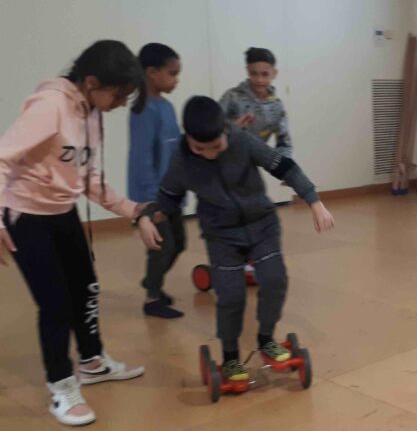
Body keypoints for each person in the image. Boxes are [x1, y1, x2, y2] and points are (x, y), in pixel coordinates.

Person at [0, 40, 148, 426]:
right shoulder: (50, 106)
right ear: (92, 81)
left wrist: (131, 209)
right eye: (118, 94)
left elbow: (88, 177)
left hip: (62, 213)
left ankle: (92, 361)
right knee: (54, 305)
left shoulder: (92, 112)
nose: (121, 103)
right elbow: (2, 157)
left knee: (86, 288)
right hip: (26, 216)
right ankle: (61, 386)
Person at [137, 96, 334, 383]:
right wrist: (147, 218)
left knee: (275, 280)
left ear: (225, 131)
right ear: (187, 138)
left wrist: (314, 201)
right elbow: (167, 198)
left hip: (262, 225)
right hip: (221, 235)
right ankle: (230, 357)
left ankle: (266, 338)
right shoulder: (181, 158)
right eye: (199, 148)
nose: (208, 154)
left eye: (216, 146)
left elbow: (284, 167)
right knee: (230, 296)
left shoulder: (242, 141)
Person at [129, 43, 185, 318]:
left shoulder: (167, 107)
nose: (176, 80)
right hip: (152, 196)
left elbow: (176, 147)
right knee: (162, 246)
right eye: (172, 74)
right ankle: (152, 299)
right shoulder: (142, 112)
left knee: (179, 243)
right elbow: (141, 160)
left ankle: (152, 281)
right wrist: (152, 202)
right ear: (152, 72)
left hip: (171, 192)